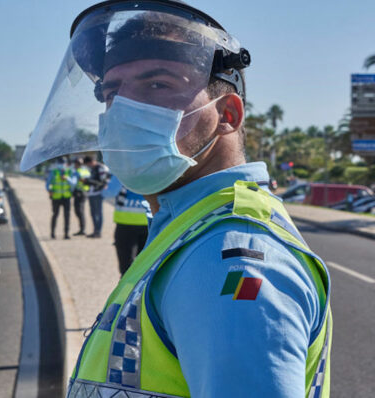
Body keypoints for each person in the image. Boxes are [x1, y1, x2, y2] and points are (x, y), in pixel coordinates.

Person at [19, 1, 332, 397]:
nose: (123, 111)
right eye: (112, 92)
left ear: (228, 115)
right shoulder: (186, 229)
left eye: (157, 85)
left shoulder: (228, 259)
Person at [111, 180, 149, 275]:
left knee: (126, 268)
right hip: (149, 223)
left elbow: (108, 192)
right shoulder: (154, 170)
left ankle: (127, 289)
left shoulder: (122, 171)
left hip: (125, 224)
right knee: (147, 266)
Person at [46, 157, 76, 239]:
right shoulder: (54, 172)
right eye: (60, 163)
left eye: (63, 163)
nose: (61, 165)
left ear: (66, 164)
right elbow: (48, 183)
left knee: (67, 216)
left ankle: (66, 234)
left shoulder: (70, 172)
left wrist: (67, 178)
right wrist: (49, 190)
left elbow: (74, 183)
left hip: (66, 197)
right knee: (55, 215)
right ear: (57, 164)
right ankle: (52, 233)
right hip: (56, 197)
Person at [84, 156, 109, 238]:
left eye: (88, 164)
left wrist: (88, 181)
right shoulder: (93, 168)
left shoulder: (101, 168)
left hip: (98, 193)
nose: (88, 166)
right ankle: (95, 231)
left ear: (91, 161)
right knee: (93, 213)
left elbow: (102, 183)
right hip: (91, 193)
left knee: (98, 213)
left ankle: (98, 232)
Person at [72, 157, 91, 236]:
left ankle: (82, 229)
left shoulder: (77, 171)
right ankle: (82, 229)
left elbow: (73, 183)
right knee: (80, 211)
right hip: (85, 192)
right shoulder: (86, 171)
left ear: (77, 164)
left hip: (79, 193)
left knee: (79, 211)